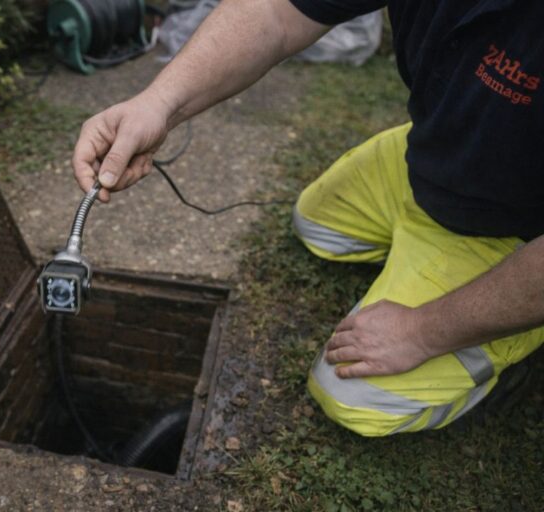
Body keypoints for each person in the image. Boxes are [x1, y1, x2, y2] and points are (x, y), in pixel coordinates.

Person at [71, 0, 544, 436]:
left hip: (513, 229)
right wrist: (158, 103)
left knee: (355, 397)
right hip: (435, 155)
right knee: (315, 226)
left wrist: (424, 331)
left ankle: (512, 334)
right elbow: (277, 13)